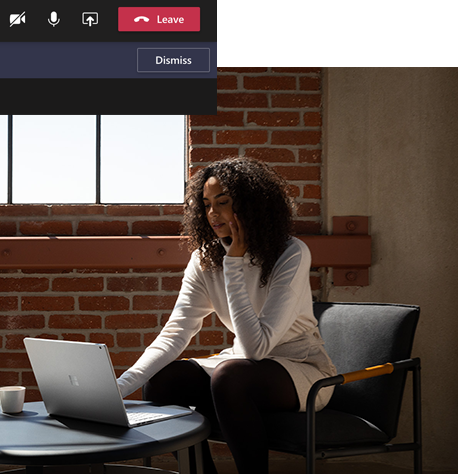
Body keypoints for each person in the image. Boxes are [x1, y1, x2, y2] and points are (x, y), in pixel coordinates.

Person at [114, 157, 337, 474]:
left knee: (231, 375)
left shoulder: (291, 253)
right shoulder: (204, 259)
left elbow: (255, 350)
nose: (212, 214)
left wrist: (234, 264)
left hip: (302, 369)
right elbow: (176, 332)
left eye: (222, 203)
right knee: (163, 382)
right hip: (241, 366)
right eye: (205, 204)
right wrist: (120, 387)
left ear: (250, 205)